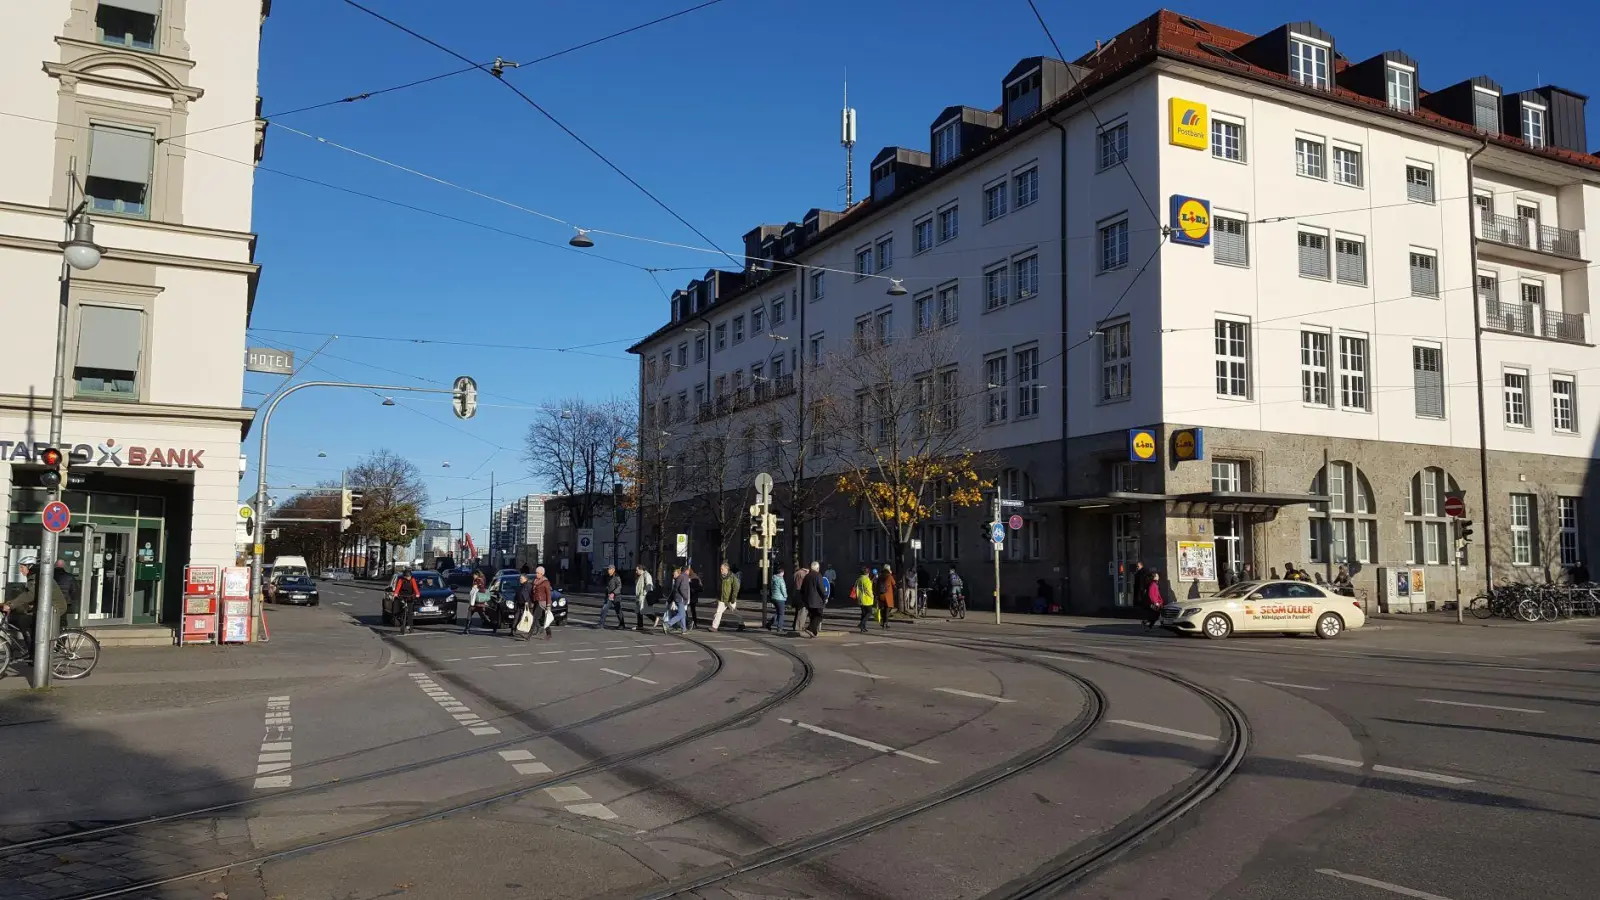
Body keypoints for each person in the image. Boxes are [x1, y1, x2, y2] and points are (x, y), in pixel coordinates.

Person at [1, 562, 68, 654]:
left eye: (22, 567)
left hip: (54, 609)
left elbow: (30, 595)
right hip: (44, 608)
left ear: (29, 567)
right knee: (23, 620)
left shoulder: (36, 577)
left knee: (24, 621)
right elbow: (25, 595)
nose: (20, 570)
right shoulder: (33, 577)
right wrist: (8, 604)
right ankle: (33, 651)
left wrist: (10, 605)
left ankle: (33, 653)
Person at [711, 562, 747, 632]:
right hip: (722, 599)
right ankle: (714, 627)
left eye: (722, 569)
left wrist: (733, 598)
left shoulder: (732, 577)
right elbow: (720, 588)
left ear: (726, 569)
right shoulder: (721, 577)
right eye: (720, 569)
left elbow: (736, 588)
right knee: (718, 612)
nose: (721, 570)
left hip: (730, 599)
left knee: (735, 611)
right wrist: (718, 597)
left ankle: (741, 624)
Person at [802, 561, 827, 638]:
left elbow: (802, 589)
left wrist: (805, 599)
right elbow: (821, 589)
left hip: (808, 601)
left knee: (813, 616)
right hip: (817, 601)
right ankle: (810, 628)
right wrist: (825, 597)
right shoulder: (818, 576)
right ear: (817, 568)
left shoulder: (807, 576)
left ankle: (814, 633)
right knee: (819, 616)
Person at [665, 566, 692, 633]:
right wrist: (686, 597)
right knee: (681, 614)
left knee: (683, 614)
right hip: (681, 598)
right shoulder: (684, 577)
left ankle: (684, 629)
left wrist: (670, 599)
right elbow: (682, 589)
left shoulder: (679, 577)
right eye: (688, 571)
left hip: (677, 598)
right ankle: (667, 624)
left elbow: (674, 590)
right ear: (687, 571)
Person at [598, 565, 626, 629]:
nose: (608, 570)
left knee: (618, 611)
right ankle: (601, 624)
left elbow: (619, 586)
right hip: (609, 596)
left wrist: (613, 593)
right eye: (608, 569)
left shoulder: (616, 577)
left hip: (616, 596)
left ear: (613, 570)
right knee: (604, 609)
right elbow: (605, 585)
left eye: (610, 569)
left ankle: (622, 624)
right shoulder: (607, 577)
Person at [531, 565, 554, 640]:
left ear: (542, 574)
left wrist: (548, 605)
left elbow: (548, 594)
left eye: (538, 573)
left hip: (542, 602)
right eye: (536, 573)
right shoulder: (535, 581)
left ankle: (530, 634)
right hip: (536, 601)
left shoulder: (545, 582)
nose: (536, 574)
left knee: (536, 618)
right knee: (541, 618)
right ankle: (547, 632)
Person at [512, 573, 534, 640]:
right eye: (520, 578)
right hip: (519, 604)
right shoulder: (520, 586)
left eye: (521, 578)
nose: (520, 579)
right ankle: (513, 630)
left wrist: (529, 602)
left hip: (526, 605)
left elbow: (531, 595)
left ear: (525, 579)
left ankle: (528, 631)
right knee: (516, 617)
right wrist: (515, 602)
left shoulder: (529, 586)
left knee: (525, 618)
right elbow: (517, 595)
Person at [854, 565, 876, 634]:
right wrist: (872, 596)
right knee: (869, 612)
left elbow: (855, 587)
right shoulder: (866, 580)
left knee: (863, 613)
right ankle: (861, 624)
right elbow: (868, 590)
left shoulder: (859, 579)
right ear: (867, 573)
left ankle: (863, 627)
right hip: (867, 599)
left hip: (860, 598)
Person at [633, 565, 656, 631]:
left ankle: (654, 618)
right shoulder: (640, 576)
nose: (636, 572)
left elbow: (649, 585)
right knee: (638, 611)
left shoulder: (646, 575)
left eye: (637, 570)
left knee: (643, 610)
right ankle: (640, 626)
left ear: (641, 569)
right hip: (639, 596)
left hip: (643, 596)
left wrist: (645, 594)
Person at [876, 565, 896, 630]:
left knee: (882, 609)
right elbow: (894, 584)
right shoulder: (889, 576)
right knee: (888, 610)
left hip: (881, 595)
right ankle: (885, 623)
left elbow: (877, 585)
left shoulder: (880, 576)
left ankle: (882, 621)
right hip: (888, 595)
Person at [769, 564, 788, 633]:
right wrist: (785, 596)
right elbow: (783, 589)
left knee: (778, 612)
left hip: (774, 597)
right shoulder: (780, 579)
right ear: (782, 573)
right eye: (783, 573)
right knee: (781, 614)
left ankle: (769, 624)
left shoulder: (773, 578)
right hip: (780, 598)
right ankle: (779, 628)